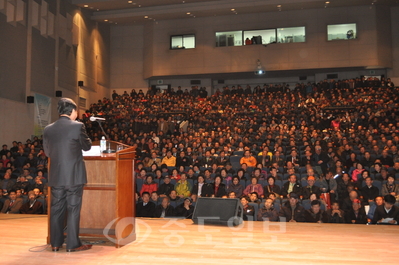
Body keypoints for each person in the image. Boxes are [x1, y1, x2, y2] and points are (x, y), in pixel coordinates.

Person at [43, 98, 92, 252]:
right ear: (72, 111)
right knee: (73, 209)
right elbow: (87, 146)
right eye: (76, 111)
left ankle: (55, 243)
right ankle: (72, 244)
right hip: (74, 176)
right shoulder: (78, 126)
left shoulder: (48, 129)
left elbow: (47, 152)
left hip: (56, 176)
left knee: (57, 209)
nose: (77, 114)